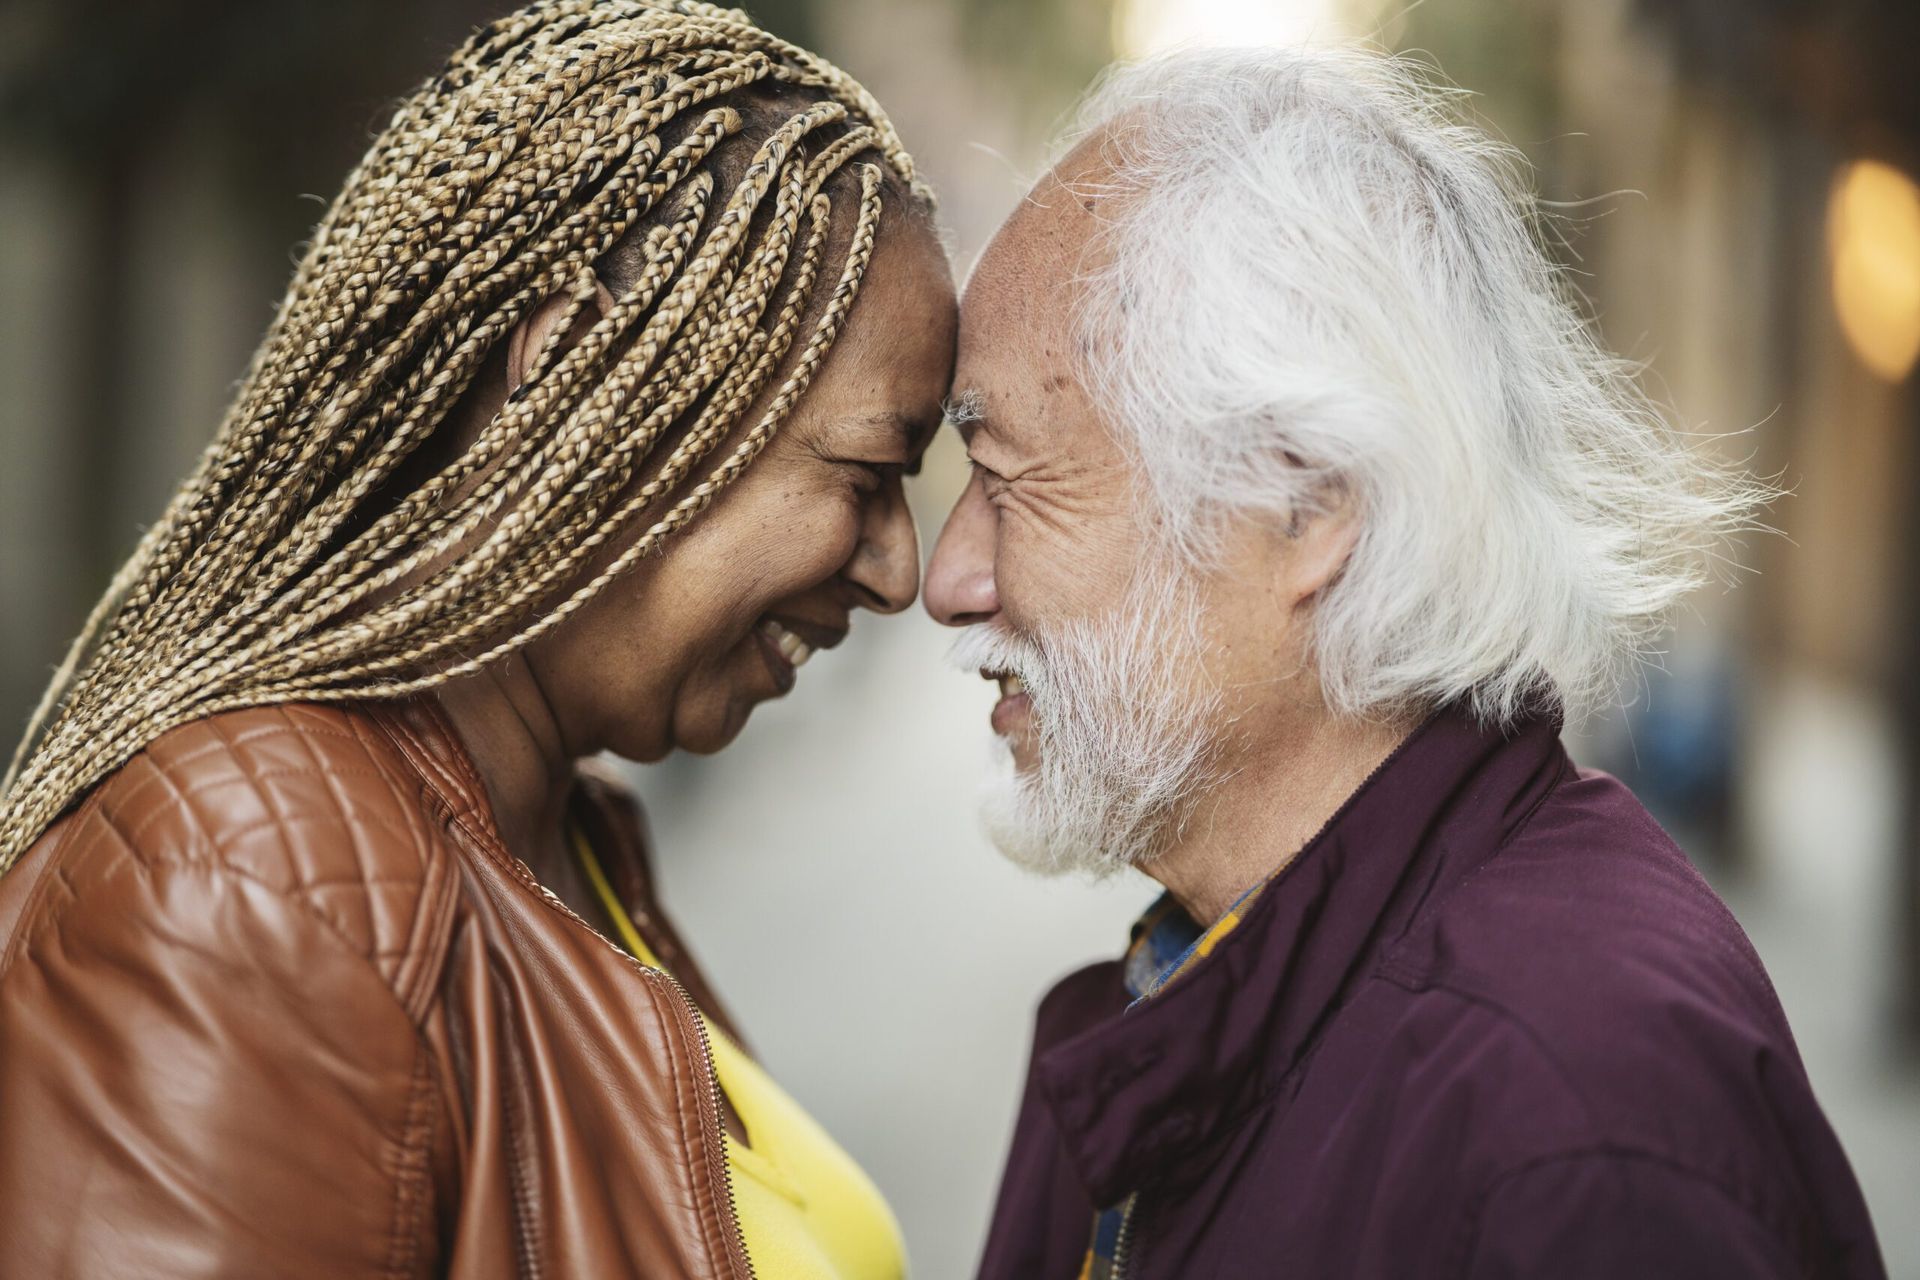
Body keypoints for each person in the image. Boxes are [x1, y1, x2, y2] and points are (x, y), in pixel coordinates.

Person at [0, 3, 953, 1276]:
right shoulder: (255, 880)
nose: (901, 570)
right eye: (864, 473)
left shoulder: (566, 837)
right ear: (574, 376)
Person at [925, 46, 1886, 1280]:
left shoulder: (1579, 1126)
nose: (948, 580)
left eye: (1006, 478)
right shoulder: (1222, 978)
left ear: (1306, 503)